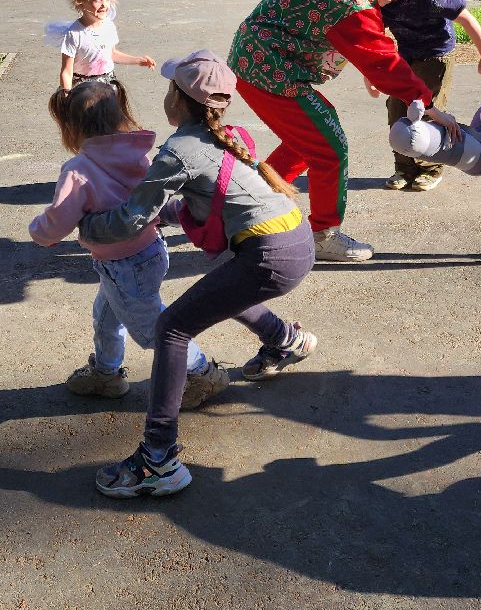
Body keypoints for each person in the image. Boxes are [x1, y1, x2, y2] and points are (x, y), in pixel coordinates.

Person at [82, 51, 319, 499]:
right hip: (295, 238)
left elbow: (133, 215)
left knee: (171, 327)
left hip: (269, 255)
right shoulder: (224, 136)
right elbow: (199, 202)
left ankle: (159, 459)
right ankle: (286, 340)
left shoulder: (178, 149)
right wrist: (165, 215)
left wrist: (87, 226)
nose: (166, 95)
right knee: (223, 291)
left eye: (170, 88)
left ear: (180, 99)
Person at [228, 0, 462, 262]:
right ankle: (323, 235)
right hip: (269, 69)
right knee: (329, 148)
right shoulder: (352, 1)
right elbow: (383, 60)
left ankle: (249, 203)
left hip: (255, 56)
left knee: (306, 143)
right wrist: (429, 105)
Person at [29, 80, 224, 409]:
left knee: (157, 330)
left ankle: (202, 372)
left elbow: (59, 219)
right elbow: (153, 201)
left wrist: (40, 233)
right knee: (106, 315)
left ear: (72, 127)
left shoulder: (78, 170)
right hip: (148, 253)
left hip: (124, 266)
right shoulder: (138, 156)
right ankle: (105, 373)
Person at [370, 0, 481, 191]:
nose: (378, 0)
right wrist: (370, 77)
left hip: (437, 54)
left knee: (430, 111)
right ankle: (404, 167)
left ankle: (432, 168)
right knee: (396, 109)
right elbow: (372, 42)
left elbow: (465, 17)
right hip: (406, 54)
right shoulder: (376, 1)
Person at [45, 0, 156, 90]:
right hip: (82, 87)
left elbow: (112, 54)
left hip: (107, 83)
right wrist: (67, 94)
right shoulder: (74, 33)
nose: (104, 4)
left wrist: (137, 60)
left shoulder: (109, 27)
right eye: (98, 0)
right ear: (80, 3)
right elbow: (66, 72)